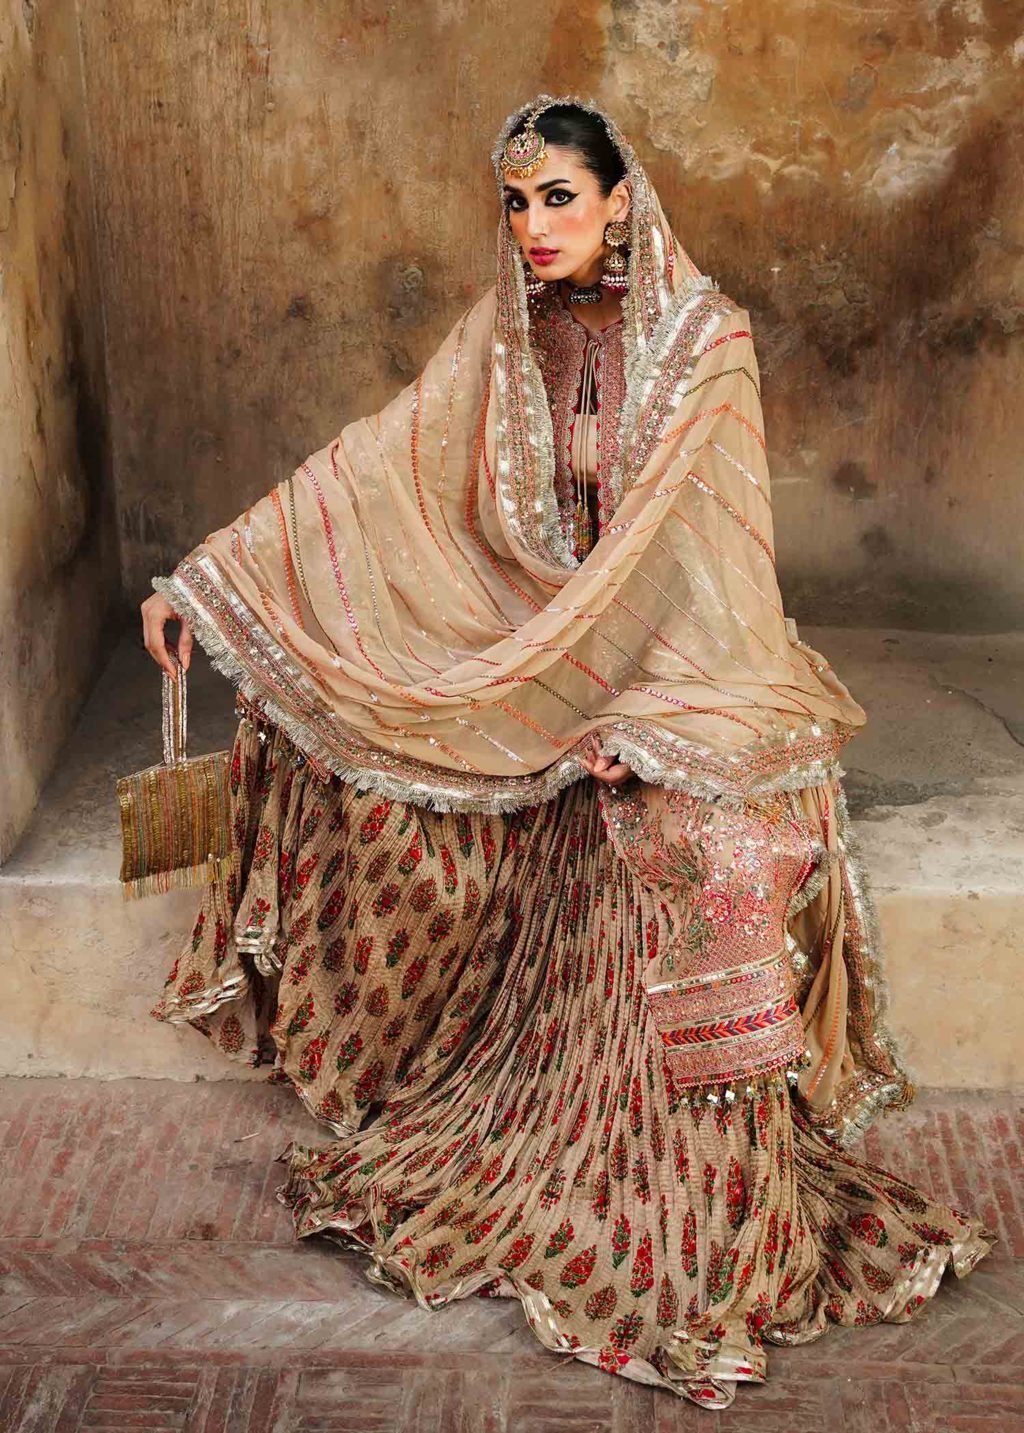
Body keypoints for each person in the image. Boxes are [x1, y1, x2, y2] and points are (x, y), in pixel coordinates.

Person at [139, 93, 990, 1409]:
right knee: (368, 753)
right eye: (517, 203)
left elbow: (709, 570)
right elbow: (372, 468)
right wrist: (203, 581)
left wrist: (640, 717)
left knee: (696, 848)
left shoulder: (706, 343)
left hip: (690, 663)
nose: (535, 227)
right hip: (537, 650)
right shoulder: (507, 333)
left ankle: (712, 1228)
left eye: (559, 199)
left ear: (618, 201)